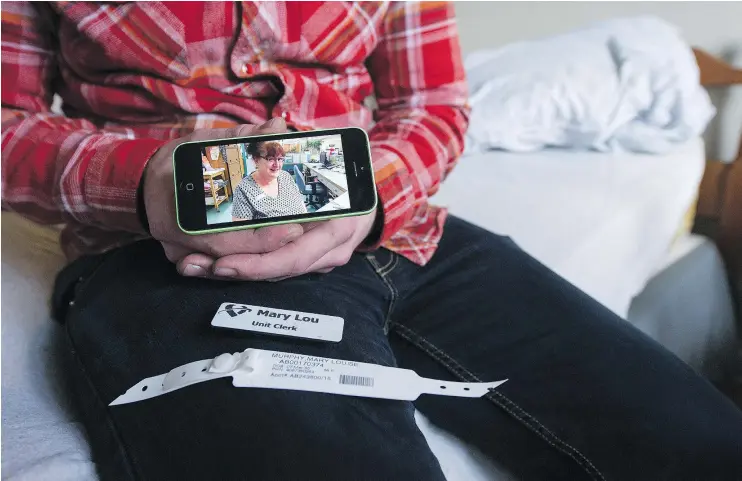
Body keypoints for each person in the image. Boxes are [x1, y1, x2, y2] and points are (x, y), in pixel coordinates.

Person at [2, 2, 742, 481]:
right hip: (168, 260)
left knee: (708, 443)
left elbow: (436, 108)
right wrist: (142, 181)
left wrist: (367, 197)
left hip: (406, 236)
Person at [231, 141, 308, 222]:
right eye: (270, 159)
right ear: (256, 160)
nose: (277, 165)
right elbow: (242, 231)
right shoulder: (243, 190)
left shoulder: (286, 176)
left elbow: (301, 204)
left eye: (280, 159)